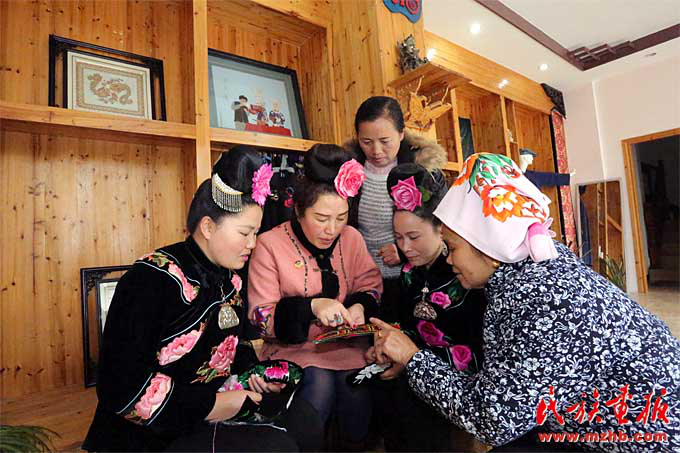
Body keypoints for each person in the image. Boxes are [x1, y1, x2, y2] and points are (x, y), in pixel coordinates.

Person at [371, 153, 680, 452]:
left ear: (488, 248)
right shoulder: (529, 270)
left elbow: (492, 419)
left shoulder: (542, 302)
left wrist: (413, 358)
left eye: (452, 248)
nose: (449, 259)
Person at [82, 146, 322, 452]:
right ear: (208, 227)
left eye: (256, 233)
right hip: (148, 433)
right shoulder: (152, 278)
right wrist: (215, 404)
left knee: (306, 420)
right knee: (277, 447)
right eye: (244, 233)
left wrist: (252, 376)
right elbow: (120, 386)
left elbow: (233, 349)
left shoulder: (230, 280)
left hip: (207, 410)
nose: (253, 244)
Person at [247, 144, 383, 450]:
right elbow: (261, 318)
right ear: (298, 210)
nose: (332, 229)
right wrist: (311, 307)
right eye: (321, 218)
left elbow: (371, 284)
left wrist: (360, 306)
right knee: (318, 386)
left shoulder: (352, 238)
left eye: (341, 217)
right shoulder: (269, 244)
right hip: (292, 349)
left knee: (356, 389)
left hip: (346, 347)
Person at [367, 163, 487, 452]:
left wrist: (411, 359)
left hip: (458, 381)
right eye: (398, 238)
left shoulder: (468, 273)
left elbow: (479, 352)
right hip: (414, 368)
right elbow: (405, 325)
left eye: (414, 237)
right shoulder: (410, 272)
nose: (405, 247)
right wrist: (386, 347)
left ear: (441, 229)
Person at [345, 96, 447, 322]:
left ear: (401, 134)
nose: (376, 150)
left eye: (385, 141)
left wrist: (402, 252)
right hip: (361, 282)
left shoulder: (424, 172)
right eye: (366, 141)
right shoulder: (347, 171)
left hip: (410, 280)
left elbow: (442, 231)